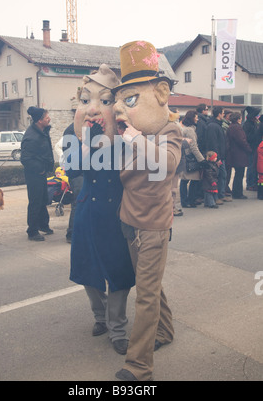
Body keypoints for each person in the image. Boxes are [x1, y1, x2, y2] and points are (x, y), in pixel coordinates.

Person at [112, 41, 182, 381]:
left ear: (161, 93)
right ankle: (164, 331)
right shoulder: (130, 136)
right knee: (149, 286)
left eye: (130, 100)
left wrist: (135, 138)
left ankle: (139, 365)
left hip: (153, 228)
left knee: (146, 295)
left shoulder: (171, 131)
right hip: (130, 222)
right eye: (119, 102)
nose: (120, 111)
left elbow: (165, 165)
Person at [65, 64, 135, 356]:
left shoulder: (125, 134)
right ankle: (100, 316)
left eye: (104, 101)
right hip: (86, 213)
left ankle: (117, 329)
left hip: (117, 215)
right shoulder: (75, 134)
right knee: (86, 271)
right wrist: (85, 141)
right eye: (86, 100)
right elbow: (72, 168)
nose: (93, 109)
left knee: (119, 274)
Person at [21, 107, 54, 241]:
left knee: (42, 199)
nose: (49, 119)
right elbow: (25, 159)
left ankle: (43, 225)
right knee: (35, 201)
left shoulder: (42, 131)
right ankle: (32, 230)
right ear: (40, 121)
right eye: (47, 118)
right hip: (34, 174)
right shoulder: (31, 137)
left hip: (41, 173)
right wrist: (40, 169)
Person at [61, 123, 83, 243]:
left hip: (80, 172)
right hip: (77, 174)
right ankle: (71, 233)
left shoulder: (77, 128)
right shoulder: (73, 130)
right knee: (78, 202)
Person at [206, 106, 231, 205]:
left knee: (222, 175)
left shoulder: (217, 124)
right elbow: (213, 143)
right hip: (217, 157)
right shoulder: (213, 126)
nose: (224, 114)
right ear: (219, 114)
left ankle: (221, 195)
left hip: (220, 155)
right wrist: (217, 158)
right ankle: (217, 197)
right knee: (218, 176)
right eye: (223, 112)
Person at [179, 110, 205, 208]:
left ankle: (186, 201)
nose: (197, 119)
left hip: (184, 157)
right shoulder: (189, 130)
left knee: (185, 180)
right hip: (190, 158)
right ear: (192, 118)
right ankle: (189, 200)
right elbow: (193, 147)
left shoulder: (186, 129)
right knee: (192, 179)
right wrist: (201, 159)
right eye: (196, 117)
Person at [226, 112, 252, 199]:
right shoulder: (237, 128)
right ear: (238, 119)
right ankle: (238, 193)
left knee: (238, 174)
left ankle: (236, 192)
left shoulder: (231, 127)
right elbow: (242, 141)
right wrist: (249, 149)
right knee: (239, 174)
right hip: (239, 154)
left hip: (234, 153)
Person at [243, 106, 261, 191]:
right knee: (251, 166)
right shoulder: (247, 125)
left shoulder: (253, 123)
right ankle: (250, 183)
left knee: (254, 166)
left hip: (254, 147)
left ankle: (253, 182)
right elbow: (248, 137)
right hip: (251, 148)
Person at [257, 121, 263, 200]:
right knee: (261, 181)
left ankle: (260, 195)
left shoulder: (260, 145)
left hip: (260, 166)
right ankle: (261, 195)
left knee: (261, 181)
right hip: (262, 166)